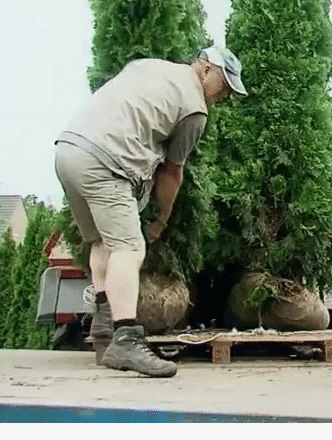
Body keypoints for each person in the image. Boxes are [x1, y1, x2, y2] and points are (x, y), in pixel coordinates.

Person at [54, 47, 247, 377]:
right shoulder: (195, 110)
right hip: (106, 162)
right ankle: (126, 339)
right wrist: (160, 219)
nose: (224, 94)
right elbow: (172, 173)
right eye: (224, 84)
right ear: (205, 69)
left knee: (103, 242)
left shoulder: (148, 66)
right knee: (130, 249)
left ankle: (104, 325)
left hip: (69, 151)